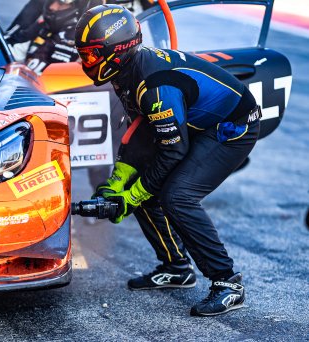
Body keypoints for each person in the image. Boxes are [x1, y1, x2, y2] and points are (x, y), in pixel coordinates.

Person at [75, 4, 261, 316]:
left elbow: (172, 151)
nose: (86, 62)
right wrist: (117, 182)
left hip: (231, 127)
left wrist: (130, 197)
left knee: (177, 196)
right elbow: (140, 128)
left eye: (92, 54)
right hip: (194, 122)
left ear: (117, 51)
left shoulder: (154, 85)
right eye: (82, 54)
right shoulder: (127, 70)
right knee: (141, 187)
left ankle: (228, 283)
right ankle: (176, 267)